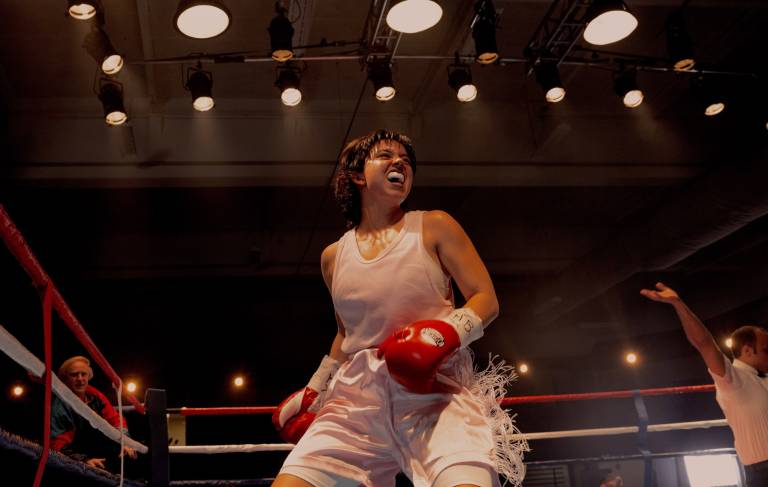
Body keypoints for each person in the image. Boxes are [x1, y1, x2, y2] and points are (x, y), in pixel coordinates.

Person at [272, 129, 526, 487]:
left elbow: (486, 298)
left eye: (406, 160)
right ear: (359, 175)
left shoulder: (434, 226)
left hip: (434, 393)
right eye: (386, 155)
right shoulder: (333, 256)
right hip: (356, 403)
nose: (400, 163)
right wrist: (317, 389)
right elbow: (346, 334)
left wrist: (444, 334)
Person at [640, 282, 768, 485]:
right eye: (766, 349)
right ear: (747, 350)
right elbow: (704, 343)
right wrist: (678, 303)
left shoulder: (764, 379)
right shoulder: (733, 379)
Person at [50, 355, 137, 471]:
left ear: (89, 376)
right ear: (65, 379)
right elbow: (57, 445)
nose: (80, 379)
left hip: (97, 450)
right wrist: (84, 461)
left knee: (133, 453)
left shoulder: (94, 394)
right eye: (74, 375)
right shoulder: (60, 406)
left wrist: (125, 442)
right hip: (75, 458)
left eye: (83, 374)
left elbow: (115, 419)